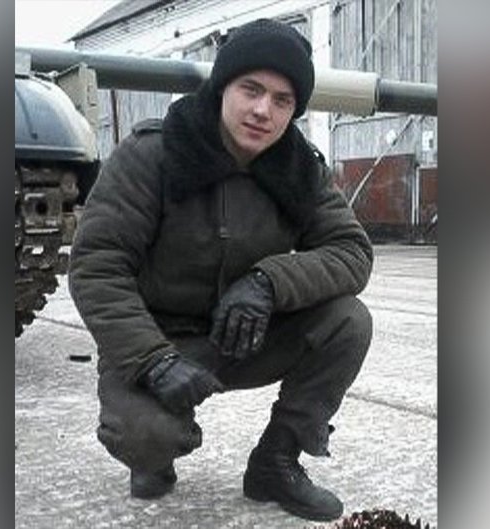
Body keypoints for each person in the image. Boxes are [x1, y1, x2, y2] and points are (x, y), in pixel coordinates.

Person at [69, 18, 374, 523]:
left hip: (245, 333)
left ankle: (276, 462)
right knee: (145, 437)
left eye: (282, 100)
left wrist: (268, 282)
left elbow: (352, 252)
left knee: (348, 320)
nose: (263, 110)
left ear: (294, 110)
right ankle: (154, 455)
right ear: (223, 87)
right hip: (156, 339)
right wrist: (153, 360)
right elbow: (97, 267)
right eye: (251, 89)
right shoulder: (155, 154)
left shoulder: (299, 168)